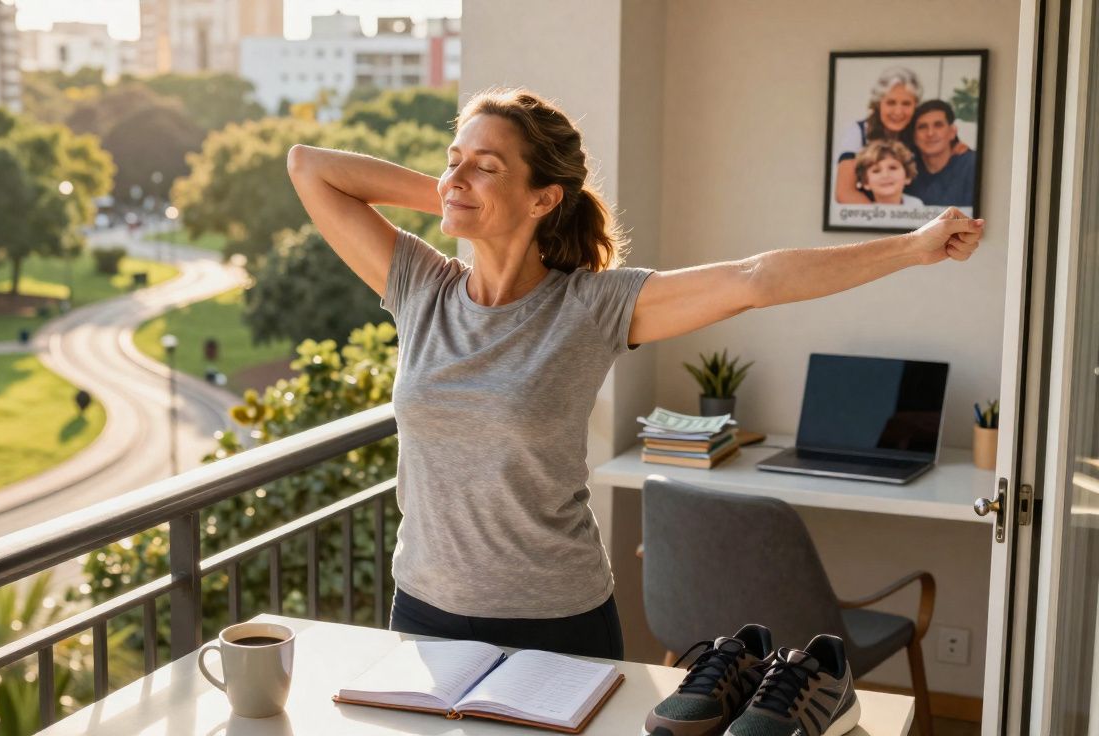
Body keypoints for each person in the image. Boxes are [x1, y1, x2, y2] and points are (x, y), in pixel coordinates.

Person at [286, 87, 983, 660]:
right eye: (452, 159)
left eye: (487, 165)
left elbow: (755, 279)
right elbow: (308, 167)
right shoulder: (419, 285)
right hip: (424, 616)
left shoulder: (592, 305)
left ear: (544, 199)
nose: (457, 175)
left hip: (553, 626)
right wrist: (457, 195)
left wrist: (913, 248)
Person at [834, 66, 923, 204]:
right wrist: (883, 219)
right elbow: (845, 193)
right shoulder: (858, 131)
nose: (898, 111)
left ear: (915, 106)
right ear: (878, 103)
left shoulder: (920, 130)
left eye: (906, 103)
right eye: (891, 103)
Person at [906, 99, 978, 208]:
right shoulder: (906, 169)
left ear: (952, 132)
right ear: (914, 136)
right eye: (922, 127)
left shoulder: (972, 165)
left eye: (938, 125)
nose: (930, 133)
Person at [853, 139, 924, 206]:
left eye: (893, 168)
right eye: (876, 171)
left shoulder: (917, 206)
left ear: (907, 176)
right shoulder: (863, 214)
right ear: (866, 182)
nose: (885, 175)